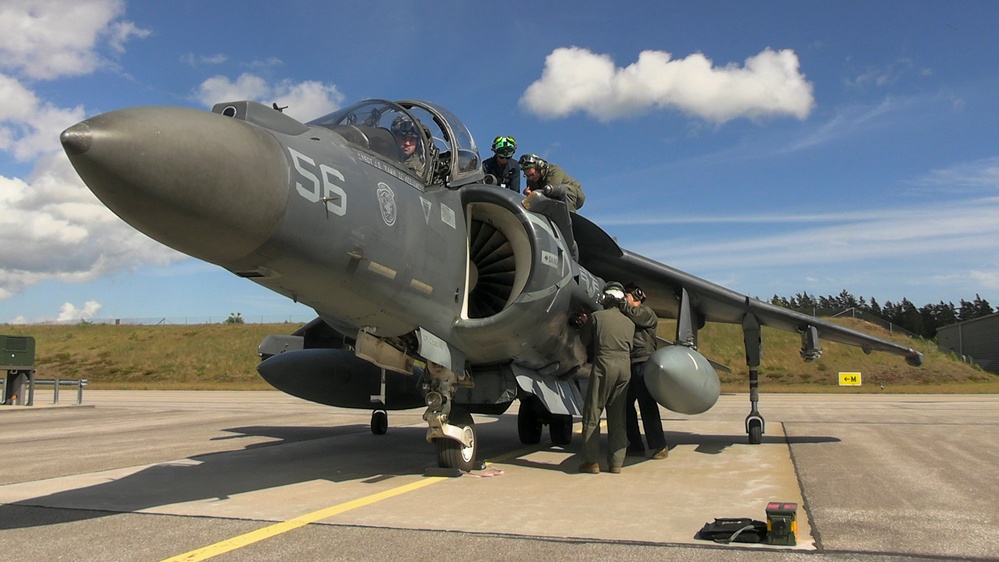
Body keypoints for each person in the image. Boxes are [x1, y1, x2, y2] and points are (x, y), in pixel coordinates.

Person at [577, 282, 634, 474]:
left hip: (604, 365)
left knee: (593, 413)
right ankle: (616, 463)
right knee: (618, 417)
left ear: (605, 299)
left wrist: (586, 324)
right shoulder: (629, 322)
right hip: (625, 368)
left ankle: (591, 461)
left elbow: (585, 341)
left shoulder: (596, 317)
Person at [622, 283, 669, 460]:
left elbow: (636, 316)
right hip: (628, 363)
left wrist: (620, 304)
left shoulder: (646, 313)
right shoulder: (626, 313)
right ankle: (635, 444)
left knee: (646, 405)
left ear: (635, 296)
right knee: (625, 407)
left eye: (626, 295)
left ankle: (659, 445)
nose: (624, 299)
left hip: (643, 363)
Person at [518, 154, 585, 212]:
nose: (530, 178)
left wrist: (533, 194)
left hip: (575, 196)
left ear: (539, 167)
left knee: (558, 190)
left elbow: (550, 194)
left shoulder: (554, 171)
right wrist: (529, 196)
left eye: (532, 174)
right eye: (527, 176)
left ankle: (570, 218)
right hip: (553, 200)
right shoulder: (531, 179)